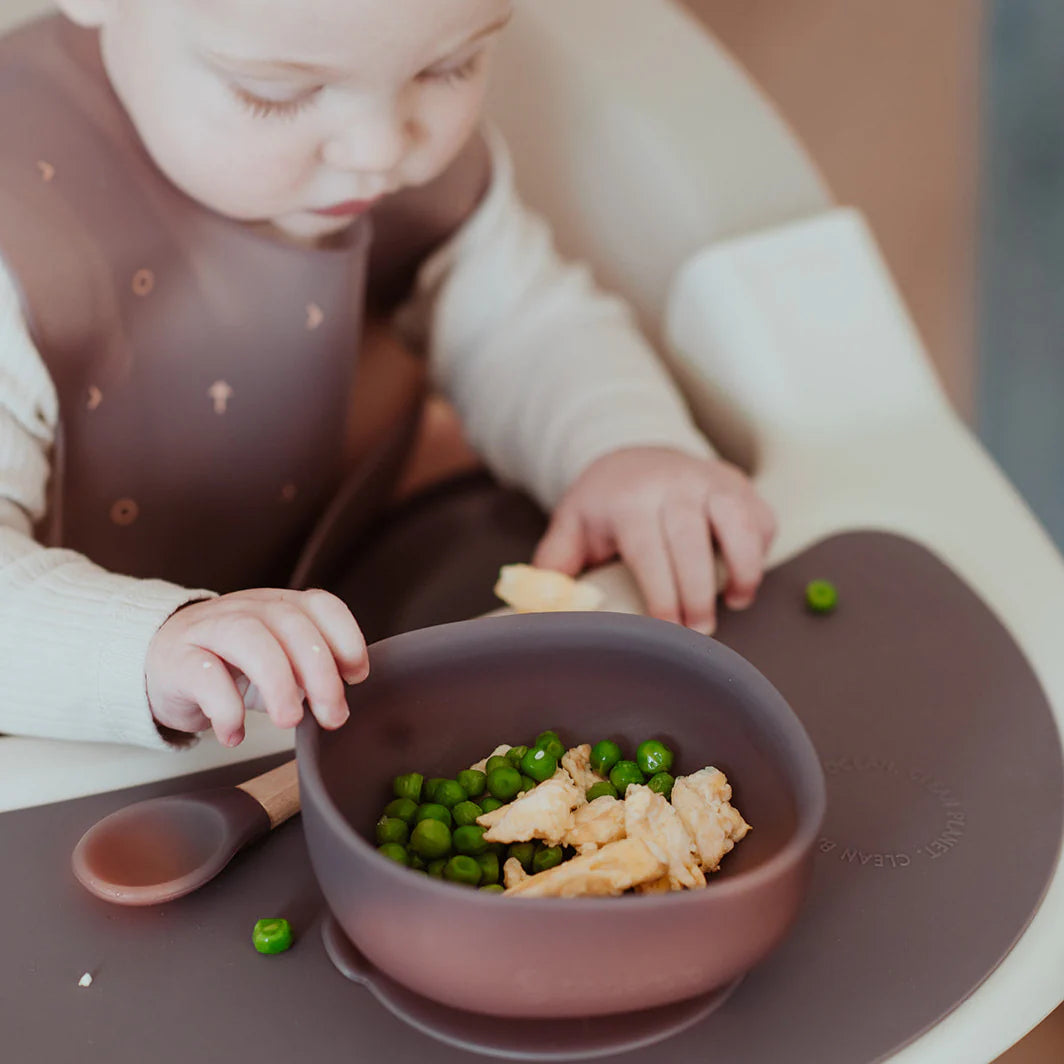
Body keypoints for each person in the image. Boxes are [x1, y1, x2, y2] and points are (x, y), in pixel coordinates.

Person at [0, 0, 775, 751]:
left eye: (451, 67)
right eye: (279, 93)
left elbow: (521, 322)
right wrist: (148, 650)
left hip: (336, 581)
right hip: (64, 708)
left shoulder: (390, 144)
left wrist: (622, 443)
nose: (380, 146)